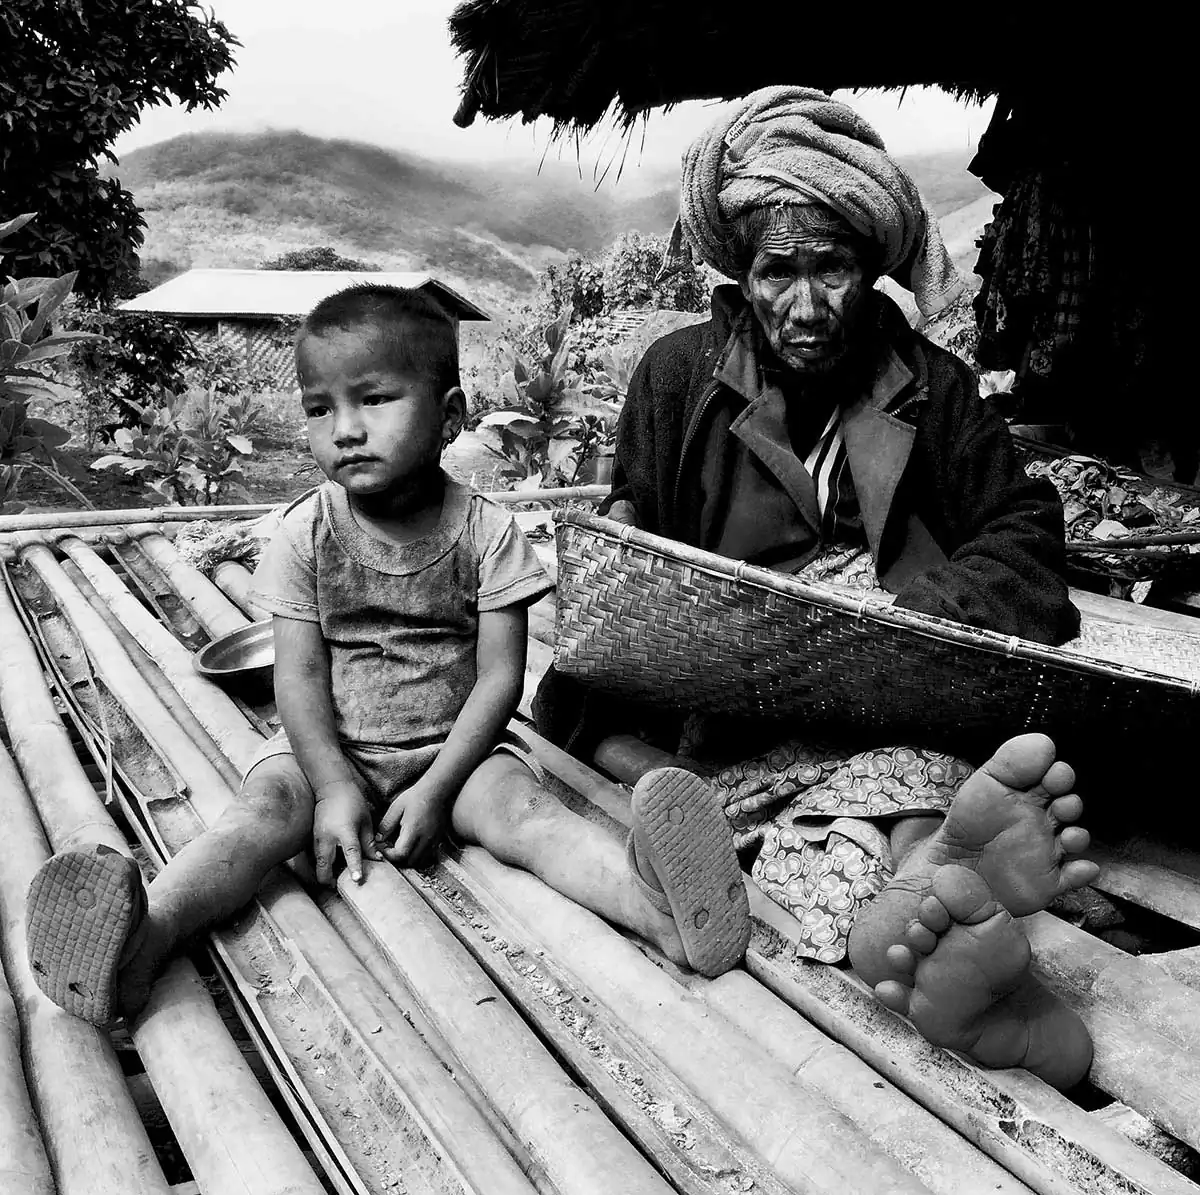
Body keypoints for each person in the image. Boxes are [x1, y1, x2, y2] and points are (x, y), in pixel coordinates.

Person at [535, 88, 1099, 1088]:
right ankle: (936, 893)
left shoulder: (926, 385)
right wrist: (626, 566)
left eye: (831, 269)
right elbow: (628, 557)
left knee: (911, 781)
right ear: (740, 273)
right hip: (726, 714)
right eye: (776, 273)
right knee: (712, 788)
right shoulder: (678, 377)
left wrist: (905, 621)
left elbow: (1024, 532)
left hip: (887, 700)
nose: (805, 305)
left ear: (870, 267)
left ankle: (940, 897)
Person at [23, 285, 751, 1029]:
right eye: (319, 408)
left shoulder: (487, 533)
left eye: (373, 400)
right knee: (256, 817)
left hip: (455, 752)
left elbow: (501, 679)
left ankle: (655, 906)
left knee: (530, 813)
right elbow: (297, 678)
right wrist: (334, 784)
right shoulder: (305, 534)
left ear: (452, 414)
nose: (344, 430)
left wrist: (438, 787)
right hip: (323, 748)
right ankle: (148, 934)